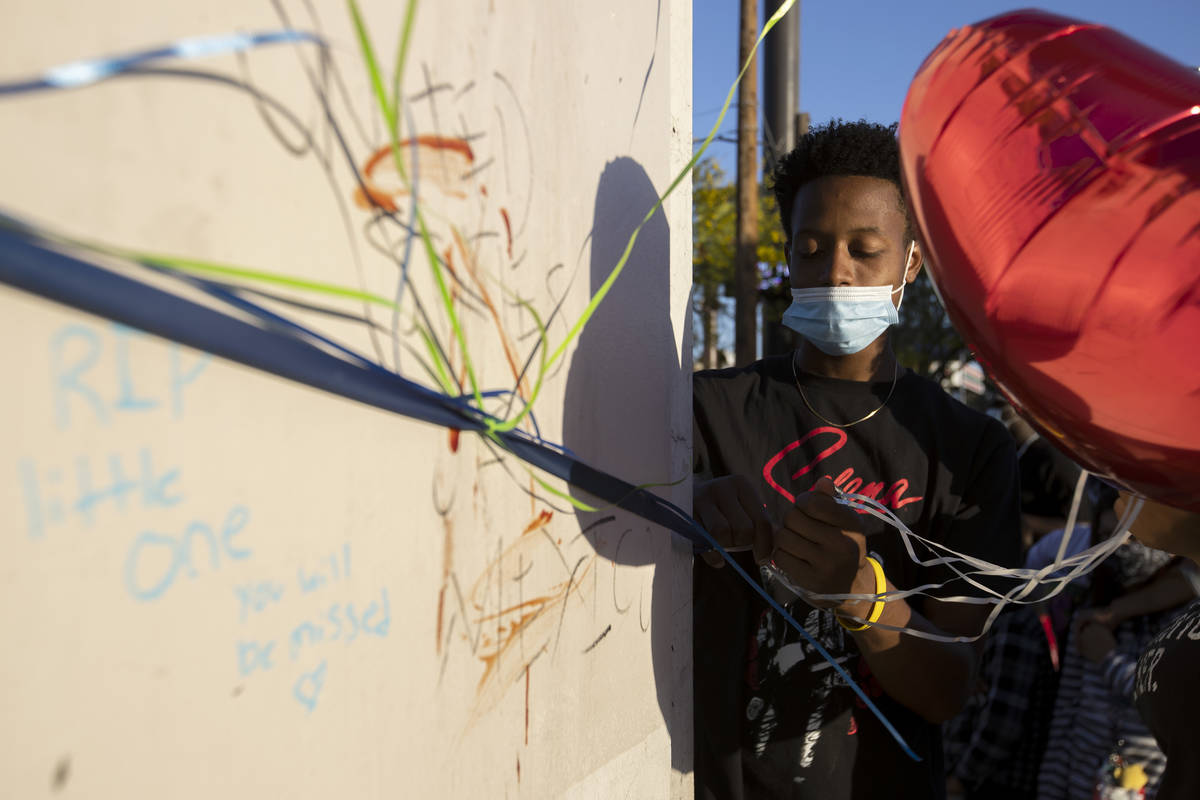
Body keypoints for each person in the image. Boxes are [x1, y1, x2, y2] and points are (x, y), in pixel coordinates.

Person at [692, 119, 1021, 800]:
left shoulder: (968, 449)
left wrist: (861, 596)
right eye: (810, 248)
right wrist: (688, 507)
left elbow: (950, 688)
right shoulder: (703, 409)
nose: (834, 270)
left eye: (864, 250)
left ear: (911, 264)